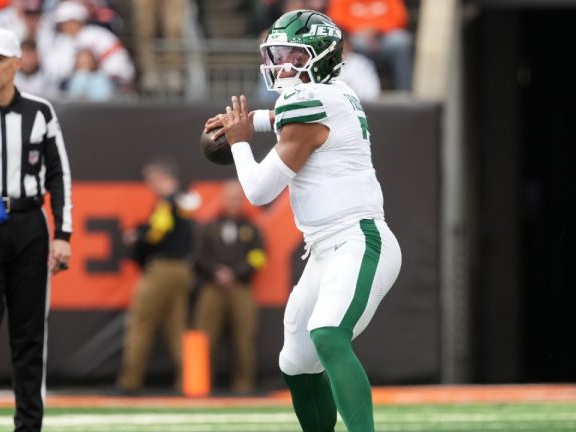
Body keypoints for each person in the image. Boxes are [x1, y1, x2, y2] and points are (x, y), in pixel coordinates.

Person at [204, 10, 401, 432]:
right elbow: (283, 119)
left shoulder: (313, 102)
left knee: (328, 334)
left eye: (294, 54)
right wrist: (247, 122)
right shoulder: (333, 94)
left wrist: (239, 143)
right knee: (294, 363)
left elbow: (258, 190)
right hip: (325, 248)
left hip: (358, 239)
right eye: (277, 53)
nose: (281, 63)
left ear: (323, 57)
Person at [0, 28, 72, 431]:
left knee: (29, 337)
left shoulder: (40, 111)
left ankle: (29, 425)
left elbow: (59, 175)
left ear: (16, 63)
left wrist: (63, 235)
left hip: (30, 225)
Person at [116, 158, 195, 394]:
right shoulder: (184, 203)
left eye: (153, 180)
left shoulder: (167, 203)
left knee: (140, 323)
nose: (151, 185)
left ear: (164, 178)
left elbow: (156, 233)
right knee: (176, 328)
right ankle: (188, 382)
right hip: (182, 270)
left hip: (161, 270)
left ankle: (129, 382)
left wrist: (136, 236)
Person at [193, 179, 266, 394]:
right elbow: (199, 257)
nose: (234, 202)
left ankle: (244, 385)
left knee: (245, 337)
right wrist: (217, 273)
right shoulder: (209, 227)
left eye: (237, 198)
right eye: (230, 197)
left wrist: (236, 274)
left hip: (240, 288)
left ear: (243, 200)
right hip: (212, 288)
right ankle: (199, 383)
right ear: (223, 200)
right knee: (205, 336)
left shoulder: (252, 230)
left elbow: (259, 257)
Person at [44, 1, 134, 92]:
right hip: (68, 88)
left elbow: (120, 67)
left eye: (64, 23)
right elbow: (53, 70)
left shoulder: (99, 36)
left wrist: (95, 70)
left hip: (104, 86)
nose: (62, 27)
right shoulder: (61, 41)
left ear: (75, 20)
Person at [327, 0, 412, 91]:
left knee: (401, 40)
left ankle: (404, 92)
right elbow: (336, 20)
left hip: (384, 37)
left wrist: (377, 29)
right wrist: (360, 30)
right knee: (357, 42)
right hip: (355, 37)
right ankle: (360, 91)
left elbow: (400, 18)